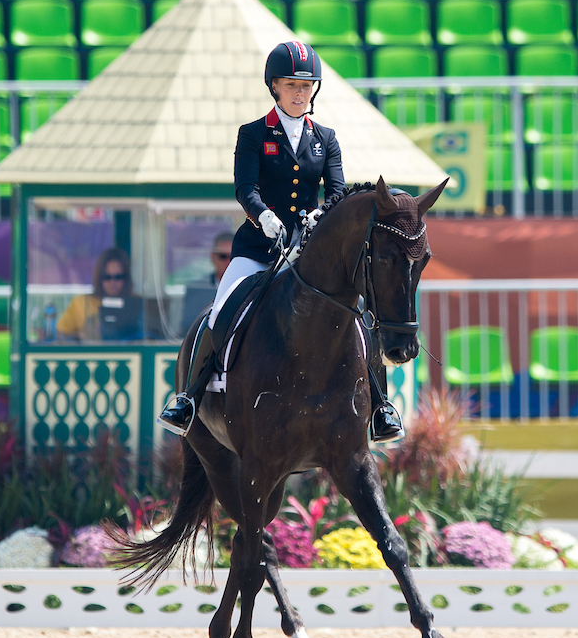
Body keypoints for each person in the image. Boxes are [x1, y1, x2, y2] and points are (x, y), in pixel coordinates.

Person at [158, 40, 405, 442]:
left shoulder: (326, 138)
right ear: (274, 86)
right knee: (221, 310)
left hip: (307, 252)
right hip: (258, 248)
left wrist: (321, 215)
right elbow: (245, 188)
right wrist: (264, 216)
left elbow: (337, 191)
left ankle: (380, 406)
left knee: (359, 318)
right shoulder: (253, 134)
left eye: (306, 86)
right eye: (291, 85)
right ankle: (189, 396)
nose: (299, 93)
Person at [57, 247, 147, 342]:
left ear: (126, 278)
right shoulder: (81, 303)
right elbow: (60, 335)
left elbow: (150, 336)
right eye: (107, 277)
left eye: (118, 277)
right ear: (99, 278)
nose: (113, 282)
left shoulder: (137, 303)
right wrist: (83, 336)